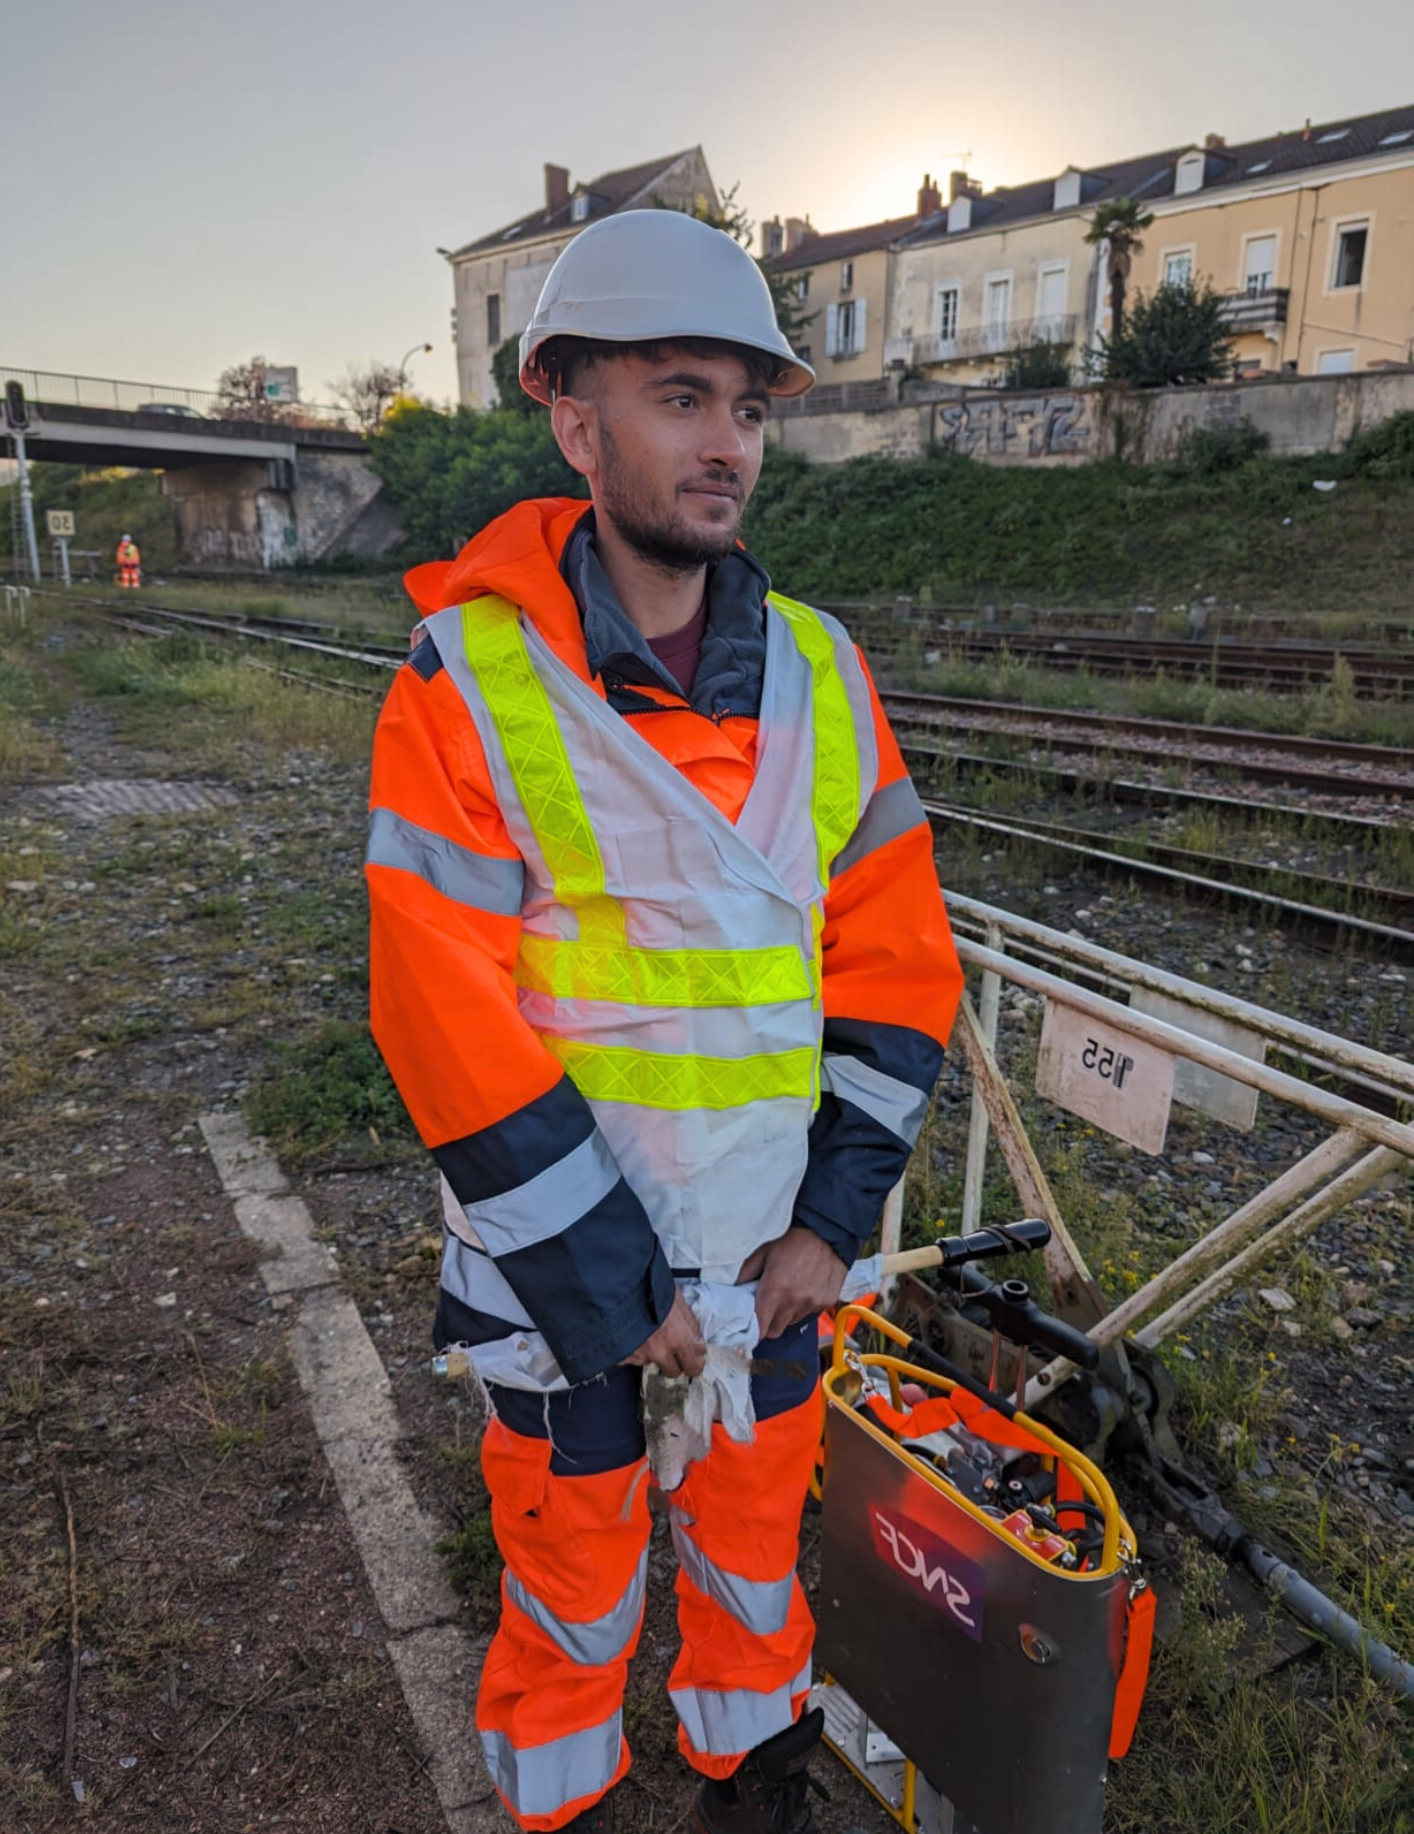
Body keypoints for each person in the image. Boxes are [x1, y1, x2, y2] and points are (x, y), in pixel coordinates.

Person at [365, 209, 964, 1834]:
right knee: (569, 1563)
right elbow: (437, 995)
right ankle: (559, 1800)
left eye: (750, 409)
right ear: (577, 421)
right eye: (685, 398)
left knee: (755, 1547)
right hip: (565, 1262)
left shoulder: (826, 679)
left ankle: (749, 1776)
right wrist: (614, 1283)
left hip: (773, 1259)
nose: (729, 448)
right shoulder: (469, 675)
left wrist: (832, 1231)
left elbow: (897, 974)